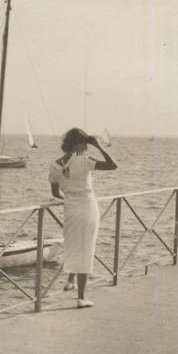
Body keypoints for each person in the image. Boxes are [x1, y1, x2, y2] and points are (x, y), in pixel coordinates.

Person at [49, 128, 117, 308]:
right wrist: (99, 146)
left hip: (70, 207)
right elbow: (113, 165)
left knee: (72, 244)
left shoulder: (55, 164)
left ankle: (70, 279)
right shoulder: (86, 161)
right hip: (87, 206)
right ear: (81, 144)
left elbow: (55, 193)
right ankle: (81, 298)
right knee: (86, 248)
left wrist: (71, 197)